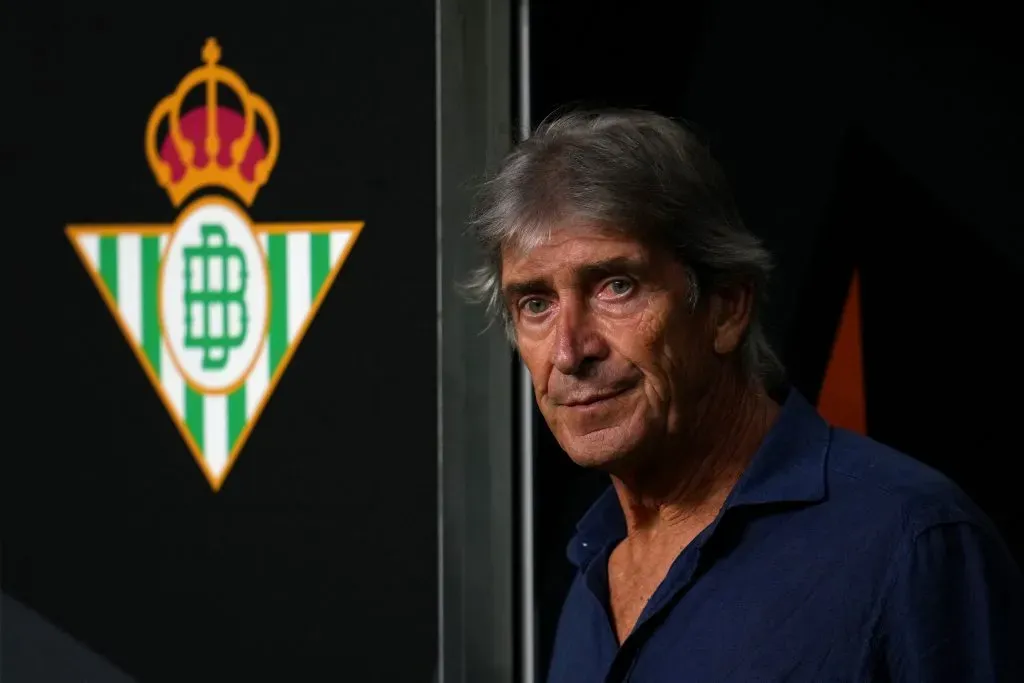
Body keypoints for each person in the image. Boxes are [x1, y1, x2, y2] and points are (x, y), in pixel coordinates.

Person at [464, 108, 1023, 682]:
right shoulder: (591, 574)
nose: (568, 351)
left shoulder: (911, 542)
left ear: (727, 308)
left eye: (616, 286)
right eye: (535, 303)